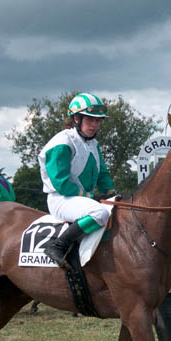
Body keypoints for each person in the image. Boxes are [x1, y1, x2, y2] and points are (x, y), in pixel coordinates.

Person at [38, 93, 116, 270]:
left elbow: (103, 174)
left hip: (81, 199)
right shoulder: (62, 142)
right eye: (90, 119)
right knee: (100, 214)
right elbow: (61, 184)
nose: (95, 125)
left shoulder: (93, 144)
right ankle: (58, 245)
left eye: (98, 121)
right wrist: (91, 196)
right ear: (76, 118)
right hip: (61, 199)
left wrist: (113, 194)